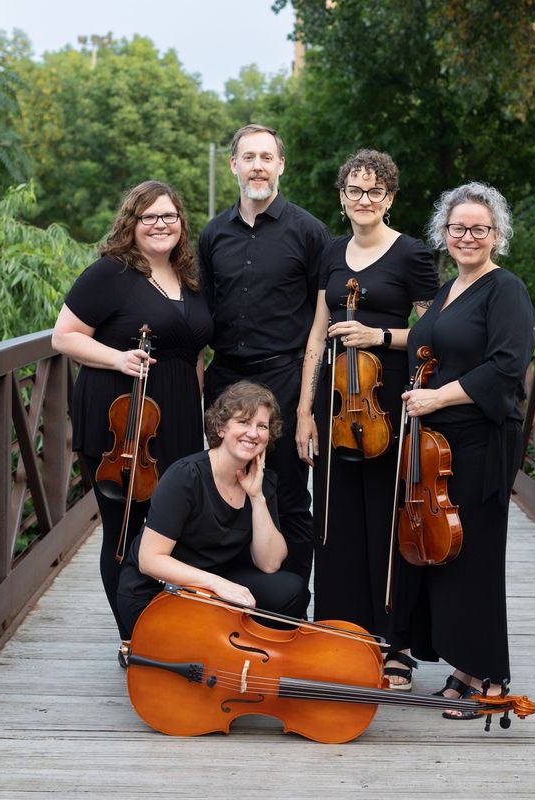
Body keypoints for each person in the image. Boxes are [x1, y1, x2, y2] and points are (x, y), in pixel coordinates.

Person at [295, 149, 438, 691]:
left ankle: (395, 645)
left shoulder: (413, 256)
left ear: (390, 198)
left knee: (385, 523)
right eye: (355, 191)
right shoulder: (331, 254)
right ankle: (339, 633)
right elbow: (316, 334)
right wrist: (305, 411)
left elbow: (433, 336)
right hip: (335, 406)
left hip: (388, 405)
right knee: (334, 524)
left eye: (375, 191)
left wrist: (378, 336)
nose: (364, 200)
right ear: (341, 197)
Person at [52, 180, 212, 636]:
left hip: (177, 415)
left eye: (169, 216)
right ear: (132, 223)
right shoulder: (110, 273)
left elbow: (195, 351)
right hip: (121, 420)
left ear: (181, 223)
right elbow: (63, 336)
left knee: (170, 528)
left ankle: (164, 627)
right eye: (149, 217)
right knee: (124, 529)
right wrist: (118, 357)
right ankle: (133, 636)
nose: (161, 225)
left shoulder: (190, 280)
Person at [400, 181, 535, 718]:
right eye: (458, 228)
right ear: (444, 234)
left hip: (480, 440)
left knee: (476, 557)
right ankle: (461, 664)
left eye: (479, 228)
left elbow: (505, 367)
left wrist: (436, 397)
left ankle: (486, 672)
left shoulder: (506, 290)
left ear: (496, 236)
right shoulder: (445, 291)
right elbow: (425, 349)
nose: (468, 236)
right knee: (447, 554)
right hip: (437, 445)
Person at [198, 124, 330, 583]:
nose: (257, 165)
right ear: (233, 165)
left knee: (291, 494)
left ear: (280, 166)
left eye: (266, 157)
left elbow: (321, 324)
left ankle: (290, 605)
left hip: (286, 381)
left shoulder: (310, 232)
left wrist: (308, 408)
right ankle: (237, 596)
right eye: (248, 157)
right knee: (227, 489)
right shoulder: (213, 234)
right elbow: (200, 318)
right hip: (225, 382)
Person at [115, 381, 310, 638]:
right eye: (243, 422)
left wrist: (256, 497)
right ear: (221, 427)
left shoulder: (263, 481)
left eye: (261, 426)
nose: (253, 433)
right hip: (159, 592)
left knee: (291, 590)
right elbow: (150, 560)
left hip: (213, 590)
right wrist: (219, 585)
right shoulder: (186, 476)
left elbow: (270, 563)